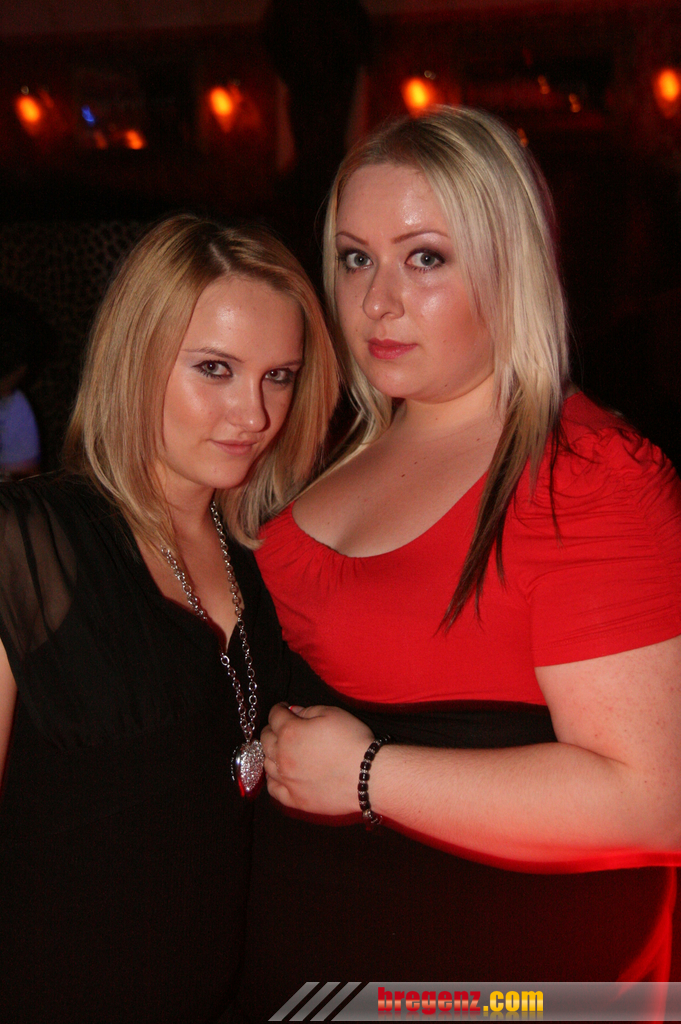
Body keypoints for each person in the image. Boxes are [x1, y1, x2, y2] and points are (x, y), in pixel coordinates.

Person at [234, 107, 681, 1020]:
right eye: (355, 258)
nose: (378, 301)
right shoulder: (320, 443)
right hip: (309, 965)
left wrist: (368, 775)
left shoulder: (589, 479)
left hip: (492, 988)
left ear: (510, 265)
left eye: (425, 258)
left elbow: (655, 800)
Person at [0, 214, 337, 1023]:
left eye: (279, 376)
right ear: (136, 358)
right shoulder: (27, 545)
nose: (252, 414)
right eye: (214, 369)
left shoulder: (266, 554)